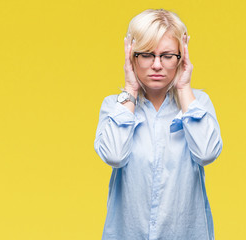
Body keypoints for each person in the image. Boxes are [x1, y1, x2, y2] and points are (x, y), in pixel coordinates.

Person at [94, 9, 223, 240]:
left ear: (181, 57)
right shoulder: (115, 106)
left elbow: (206, 154)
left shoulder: (198, 103)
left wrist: (184, 89)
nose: (156, 65)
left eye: (167, 55)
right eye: (146, 55)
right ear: (132, 56)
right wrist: (130, 90)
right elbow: (114, 156)